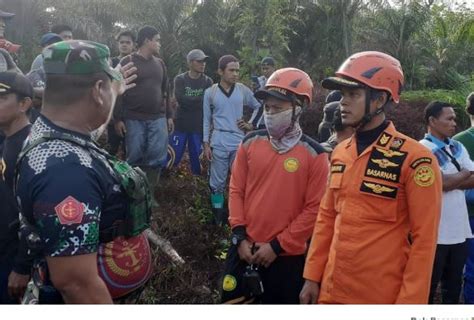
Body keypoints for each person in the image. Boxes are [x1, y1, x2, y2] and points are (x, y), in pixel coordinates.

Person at [15, 40, 153, 304]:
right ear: (98, 90)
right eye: (108, 88)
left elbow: (91, 130)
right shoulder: (67, 171)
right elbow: (76, 284)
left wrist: (115, 90)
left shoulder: (54, 135)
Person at [300, 51, 442, 304]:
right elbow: (327, 217)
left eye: (353, 94)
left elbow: (424, 240)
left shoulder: (415, 158)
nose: (343, 102)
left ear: (379, 100)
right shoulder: (341, 152)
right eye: (342, 95)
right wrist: (312, 276)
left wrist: (409, 304)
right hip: (331, 291)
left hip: (379, 297)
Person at [221, 68, 329, 304]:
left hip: (286, 258)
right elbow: (236, 190)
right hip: (243, 250)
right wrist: (239, 236)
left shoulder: (315, 155)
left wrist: (277, 246)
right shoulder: (249, 143)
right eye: (267, 108)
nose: (270, 114)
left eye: (278, 108)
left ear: (298, 109)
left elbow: (314, 209)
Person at [420, 101, 474, 304]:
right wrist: (464, 174)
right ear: (432, 121)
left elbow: (463, 179)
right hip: (436, 233)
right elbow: (441, 183)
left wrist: (456, 179)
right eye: (449, 118)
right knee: (429, 287)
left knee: (453, 288)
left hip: (459, 232)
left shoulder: (457, 146)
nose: (454, 123)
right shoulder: (422, 149)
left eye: (455, 118)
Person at [114, 26, 173, 204]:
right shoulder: (127, 61)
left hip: (157, 118)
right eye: (157, 40)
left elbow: (166, 91)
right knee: (135, 157)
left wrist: (169, 115)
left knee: (157, 157)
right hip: (133, 118)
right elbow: (117, 93)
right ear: (147, 40)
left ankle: (149, 194)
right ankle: (135, 197)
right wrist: (117, 119)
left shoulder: (160, 63)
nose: (159, 44)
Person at [202, 54, 261, 225]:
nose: (235, 74)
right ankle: (218, 218)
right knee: (217, 184)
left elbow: (259, 105)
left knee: (240, 181)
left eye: (237, 70)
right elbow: (206, 119)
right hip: (218, 141)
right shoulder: (210, 92)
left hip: (238, 142)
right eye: (231, 70)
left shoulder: (242, 90)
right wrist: (206, 144)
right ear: (220, 71)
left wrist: (251, 124)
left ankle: (238, 218)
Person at [0, 72, 34, 303]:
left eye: (1, 97)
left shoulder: (29, 149)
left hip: (14, 256)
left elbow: (37, 213)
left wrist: (22, 266)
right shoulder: (7, 139)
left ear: (24, 104)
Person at [168, 49, 212, 175]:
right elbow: (181, 100)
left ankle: (195, 186)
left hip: (198, 126)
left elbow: (207, 102)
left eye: (204, 61)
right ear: (190, 63)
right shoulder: (180, 79)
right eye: (199, 61)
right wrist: (199, 100)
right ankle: (167, 183)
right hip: (180, 124)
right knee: (172, 156)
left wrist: (191, 101)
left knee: (196, 159)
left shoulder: (208, 81)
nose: (203, 64)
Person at [454, 92, 474, 304]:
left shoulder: (459, 142)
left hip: (467, 215)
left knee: (472, 270)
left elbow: (449, 180)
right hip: (468, 215)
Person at [107, 30, 136, 156]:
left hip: (132, 114)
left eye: (128, 42)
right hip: (113, 114)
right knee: (111, 149)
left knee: (129, 150)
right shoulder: (111, 63)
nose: (124, 45)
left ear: (134, 45)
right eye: (121, 42)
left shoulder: (137, 63)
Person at [242, 56, 276, 132]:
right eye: (263, 69)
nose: (265, 71)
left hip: (273, 119)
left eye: (267, 68)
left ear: (273, 68)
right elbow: (256, 99)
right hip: (260, 120)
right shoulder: (260, 80)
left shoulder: (278, 81)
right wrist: (254, 88)